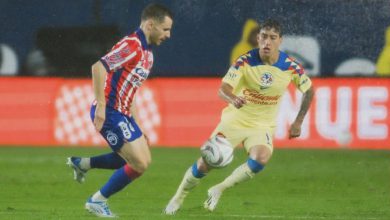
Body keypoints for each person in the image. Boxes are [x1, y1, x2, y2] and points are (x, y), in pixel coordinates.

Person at [164, 19, 314, 215]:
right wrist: (233, 98)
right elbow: (223, 90)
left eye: (272, 38)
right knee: (205, 164)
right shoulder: (245, 61)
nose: (267, 42)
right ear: (258, 38)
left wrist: (298, 121)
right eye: (264, 37)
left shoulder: (291, 66)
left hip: (262, 126)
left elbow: (309, 91)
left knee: (261, 158)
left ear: (280, 41)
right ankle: (179, 197)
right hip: (234, 121)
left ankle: (219, 189)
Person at [66, 3, 173, 218]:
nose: (168, 35)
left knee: (142, 160)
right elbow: (98, 67)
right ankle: (96, 201)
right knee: (140, 163)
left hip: (123, 113)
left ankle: (82, 164)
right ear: (150, 24)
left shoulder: (148, 55)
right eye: (165, 29)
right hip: (111, 112)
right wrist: (102, 108)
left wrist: (139, 126)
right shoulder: (132, 45)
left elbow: (130, 91)